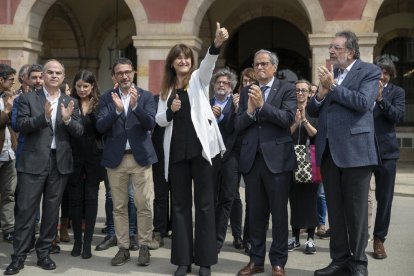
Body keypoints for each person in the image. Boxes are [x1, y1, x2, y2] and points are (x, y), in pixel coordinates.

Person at [155, 22, 228, 276]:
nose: (184, 61)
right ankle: (183, 260)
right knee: (180, 205)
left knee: (205, 204)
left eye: (187, 57)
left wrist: (216, 44)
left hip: (202, 151)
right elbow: (159, 120)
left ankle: (205, 261)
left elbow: (208, 63)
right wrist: (169, 111)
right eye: (179, 58)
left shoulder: (198, 79)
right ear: (172, 63)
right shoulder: (166, 89)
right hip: (176, 153)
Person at [308, 30, 381, 276]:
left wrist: (333, 87)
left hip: (356, 153)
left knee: (357, 214)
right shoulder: (333, 75)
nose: (331, 51)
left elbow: (363, 103)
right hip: (329, 153)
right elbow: (314, 110)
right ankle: (339, 260)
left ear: (350, 51)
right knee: (336, 213)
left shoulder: (369, 72)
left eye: (336, 47)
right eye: (330, 47)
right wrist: (320, 94)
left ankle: (359, 264)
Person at [5, 59, 83, 275]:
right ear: (42, 75)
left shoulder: (70, 101)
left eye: (58, 72)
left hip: (59, 163)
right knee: (26, 212)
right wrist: (43, 118)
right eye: (50, 72)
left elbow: (79, 132)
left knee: (51, 213)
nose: (54, 75)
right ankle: (18, 257)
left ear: (63, 76)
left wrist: (67, 120)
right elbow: (19, 124)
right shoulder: (27, 99)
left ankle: (44, 253)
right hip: (32, 163)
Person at [235, 49, 296, 276]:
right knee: (256, 214)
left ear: (274, 67)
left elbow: (287, 119)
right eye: (256, 64)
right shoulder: (245, 92)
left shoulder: (287, 89)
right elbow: (238, 125)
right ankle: (256, 260)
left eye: (264, 64)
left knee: (279, 214)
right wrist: (250, 112)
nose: (259, 68)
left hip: (277, 161)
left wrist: (262, 106)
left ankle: (278, 262)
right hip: (252, 161)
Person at [96, 57, 157, 267]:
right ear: (114, 76)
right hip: (116, 160)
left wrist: (135, 107)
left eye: (128, 72)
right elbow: (100, 127)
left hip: (140, 159)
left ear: (133, 74)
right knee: (119, 206)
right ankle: (123, 248)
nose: (124, 76)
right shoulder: (106, 98)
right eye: (120, 73)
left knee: (144, 205)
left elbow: (151, 123)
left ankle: (144, 247)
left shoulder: (146, 96)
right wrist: (118, 111)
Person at [370, 55, 405, 259]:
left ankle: (379, 240)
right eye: (379, 71)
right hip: (363, 152)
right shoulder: (365, 89)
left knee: (384, 199)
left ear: (390, 74)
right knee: (356, 198)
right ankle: (355, 239)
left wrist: (381, 100)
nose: (381, 75)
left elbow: (398, 116)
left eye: (385, 72)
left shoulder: (397, 92)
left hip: (387, 154)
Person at [67, 69, 105, 259]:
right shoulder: (69, 103)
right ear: (74, 86)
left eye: (86, 86)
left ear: (92, 87)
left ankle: (88, 243)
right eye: (79, 86)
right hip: (74, 158)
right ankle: (78, 242)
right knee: (75, 201)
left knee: (91, 200)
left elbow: (102, 129)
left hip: (93, 159)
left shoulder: (99, 103)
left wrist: (92, 111)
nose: (82, 89)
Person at [209, 67, 242, 253]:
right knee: (212, 198)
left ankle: (218, 240)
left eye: (226, 83)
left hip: (232, 158)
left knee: (228, 198)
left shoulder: (238, 104)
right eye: (219, 82)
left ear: (231, 87)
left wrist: (237, 111)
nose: (222, 85)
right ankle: (210, 235)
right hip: (212, 157)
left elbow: (238, 128)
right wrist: (209, 118)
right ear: (214, 85)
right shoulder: (207, 104)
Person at [287, 79, 319, 254]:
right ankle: (296, 238)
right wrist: (295, 122)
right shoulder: (289, 110)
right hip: (292, 161)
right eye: (297, 90)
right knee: (295, 200)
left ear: (309, 93)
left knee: (310, 200)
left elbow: (317, 134)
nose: (300, 93)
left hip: (310, 161)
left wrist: (305, 121)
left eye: (304, 90)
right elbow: (285, 134)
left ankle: (311, 239)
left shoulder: (314, 111)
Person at [234, 67, 258, 254]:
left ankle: (251, 238)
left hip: (254, 153)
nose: (248, 85)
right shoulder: (240, 98)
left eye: (251, 81)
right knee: (233, 196)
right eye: (245, 82)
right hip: (236, 152)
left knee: (253, 199)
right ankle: (238, 236)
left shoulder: (260, 97)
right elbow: (236, 125)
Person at [0, 64, 18, 244]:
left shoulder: (9, 97)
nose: (14, 82)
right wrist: (7, 110)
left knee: (8, 194)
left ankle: (8, 229)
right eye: (11, 79)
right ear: (1, 80)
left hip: (9, 154)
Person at [152, 94, 171, 248]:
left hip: (180, 153)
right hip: (160, 154)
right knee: (160, 195)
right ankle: (159, 230)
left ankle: (177, 229)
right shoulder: (156, 99)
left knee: (179, 195)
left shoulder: (187, 97)